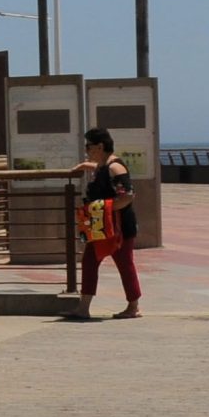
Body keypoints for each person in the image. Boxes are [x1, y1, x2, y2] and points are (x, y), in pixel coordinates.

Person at [67, 128, 143, 320]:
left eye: (88, 147)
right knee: (90, 261)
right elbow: (99, 169)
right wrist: (86, 165)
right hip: (101, 225)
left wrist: (102, 209)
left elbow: (127, 196)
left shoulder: (115, 167)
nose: (87, 150)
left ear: (100, 146)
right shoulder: (102, 165)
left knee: (125, 264)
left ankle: (133, 306)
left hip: (118, 226)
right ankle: (83, 307)